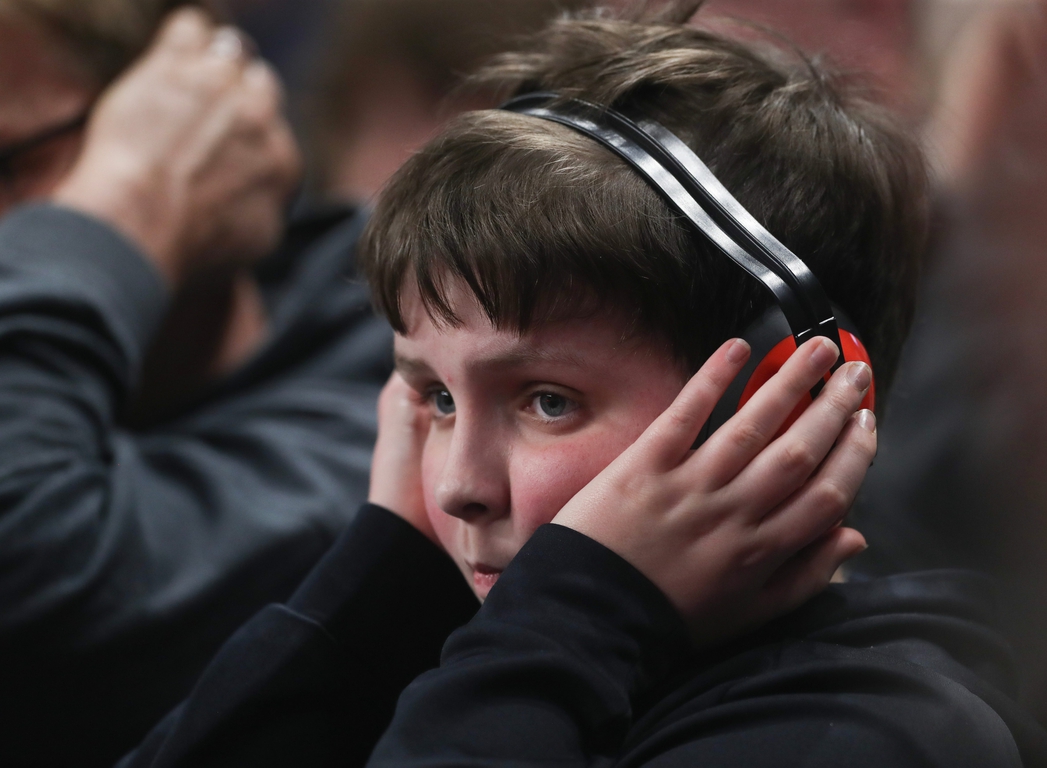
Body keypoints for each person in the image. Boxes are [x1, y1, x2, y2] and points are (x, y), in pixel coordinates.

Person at [119, 2, 1047, 766]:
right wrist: (376, 592)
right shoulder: (476, 657)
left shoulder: (868, 734)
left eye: (545, 401)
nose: (457, 486)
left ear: (777, 413)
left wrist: (575, 614)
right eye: (436, 398)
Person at [0, 4, 391, 766]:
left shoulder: (423, 378)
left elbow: (29, 563)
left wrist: (127, 201)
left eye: (7, 163)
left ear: (184, 123)